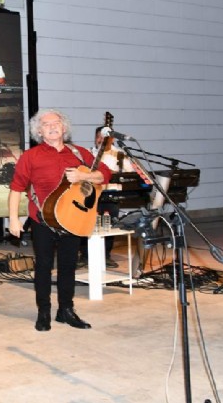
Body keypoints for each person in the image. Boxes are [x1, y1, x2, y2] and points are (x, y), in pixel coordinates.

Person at [8, 109, 111, 332]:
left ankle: (66, 310)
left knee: (68, 266)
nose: (52, 127)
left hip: (73, 218)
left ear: (64, 128)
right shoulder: (30, 156)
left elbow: (104, 174)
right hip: (42, 220)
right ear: (39, 131)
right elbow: (16, 188)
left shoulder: (80, 153)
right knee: (44, 267)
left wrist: (83, 176)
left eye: (56, 123)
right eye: (46, 124)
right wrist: (14, 220)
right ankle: (43, 311)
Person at [82, 125, 137, 268]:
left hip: (111, 196)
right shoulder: (88, 153)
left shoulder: (120, 155)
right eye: (98, 137)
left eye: (104, 137)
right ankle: (85, 256)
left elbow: (131, 175)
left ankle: (106, 256)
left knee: (109, 226)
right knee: (86, 225)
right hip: (90, 195)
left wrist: (111, 174)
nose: (100, 140)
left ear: (111, 139)